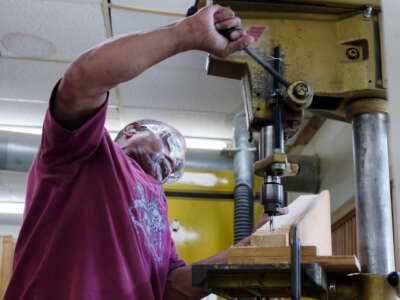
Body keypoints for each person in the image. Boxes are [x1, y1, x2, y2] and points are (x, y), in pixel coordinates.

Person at [4, 5, 259, 300]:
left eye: (177, 168)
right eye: (172, 145)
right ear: (131, 131)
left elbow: (172, 286)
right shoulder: (83, 150)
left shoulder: (159, 210)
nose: (173, 161)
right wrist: (185, 34)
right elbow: (82, 79)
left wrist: (250, 250)